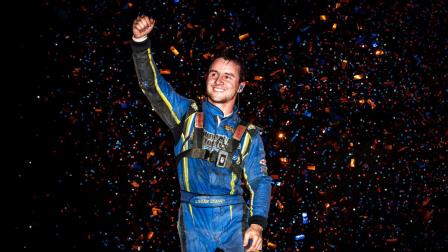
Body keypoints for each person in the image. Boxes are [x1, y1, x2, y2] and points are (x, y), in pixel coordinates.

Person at [131, 15, 272, 252]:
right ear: (206, 77)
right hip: (192, 216)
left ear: (241, 86)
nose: (218, 80)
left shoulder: (249, 135)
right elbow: (152, 86)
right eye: (214, 73)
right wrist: (140, 41)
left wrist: (257, 225)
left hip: (234, 217)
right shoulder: (186, 115)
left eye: (228, 76)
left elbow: (260, 181)